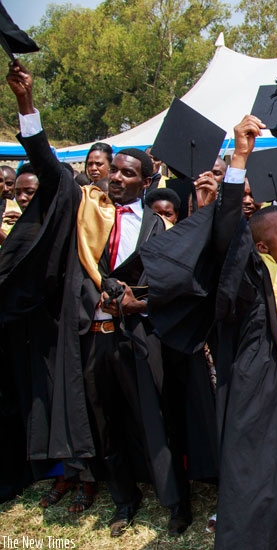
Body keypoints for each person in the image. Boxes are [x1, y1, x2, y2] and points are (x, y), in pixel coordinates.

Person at [141, 114, 277, 550]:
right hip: (263, 410)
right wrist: (240, 156)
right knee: (260, 503)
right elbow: (228, 236)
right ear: (261, 247)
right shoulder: (249, 284)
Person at [0, 61, 181, 536]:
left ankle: (173, 500)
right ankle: (123, 500)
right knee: (105, 425)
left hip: (141, 337)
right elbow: (45, 163)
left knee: (155, 420)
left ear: (146, 181)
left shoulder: (159, 226)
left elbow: (170, 283)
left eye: (127, 172)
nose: (116, 177)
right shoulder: (83, 207)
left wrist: (139, 303)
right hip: (91, 337)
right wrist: (26, 104)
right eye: (113, 170)